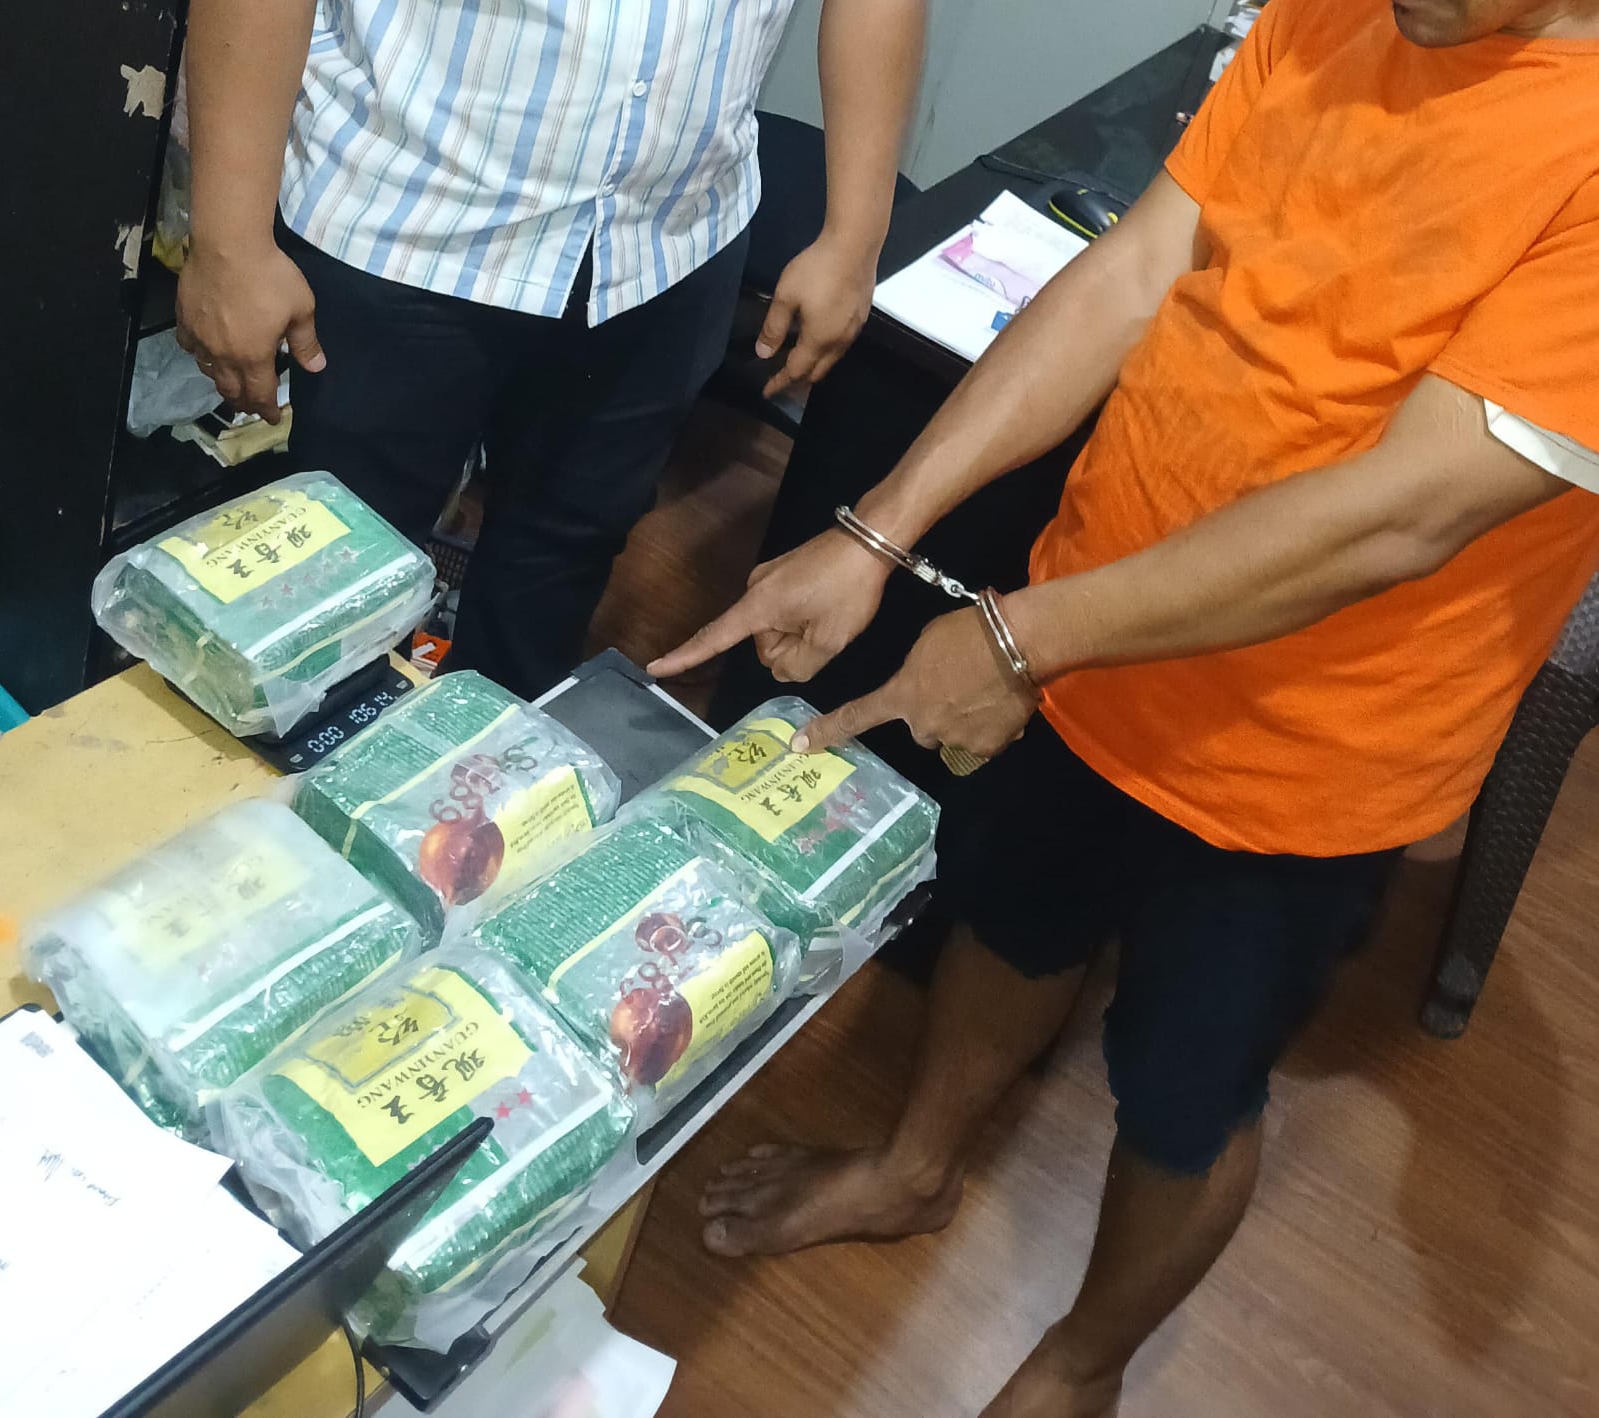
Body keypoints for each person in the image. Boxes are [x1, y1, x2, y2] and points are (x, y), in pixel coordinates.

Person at [651, 0, 1599, 1411]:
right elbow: (1138, 269)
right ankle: (914, 1166)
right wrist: (883, 528)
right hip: (1086, 625)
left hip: (1309, 750)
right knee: (1009, 912)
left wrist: (1014, 641)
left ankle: (1081, 1363)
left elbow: (1401, 513)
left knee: (1186, 1084)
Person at [176, 0, 926, 698]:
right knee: (330, 571)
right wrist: (229, 243)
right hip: (407, 212)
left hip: (666, 238)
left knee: (559, 564)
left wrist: (856, 236)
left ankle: (472, 774)